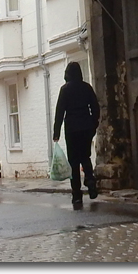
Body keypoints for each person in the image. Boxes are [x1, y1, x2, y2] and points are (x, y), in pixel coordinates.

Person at [52, 61, 100, 210]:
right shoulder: (87, 88)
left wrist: (56, 132)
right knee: (85, 156)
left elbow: (60, 112)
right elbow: (95, 107)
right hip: (86, 127)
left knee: (74, 161)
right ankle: (90, 181)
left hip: (71, 129)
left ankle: (77, 195)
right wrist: (93, 124)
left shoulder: (65, 90)